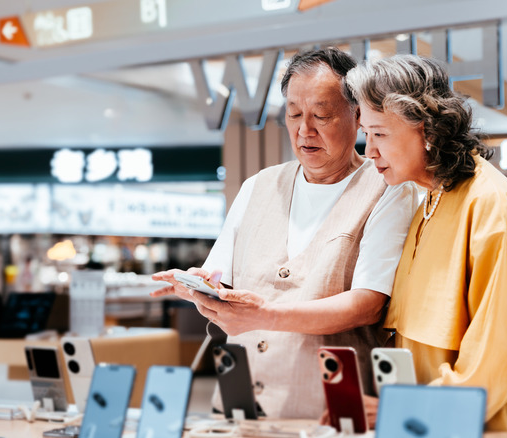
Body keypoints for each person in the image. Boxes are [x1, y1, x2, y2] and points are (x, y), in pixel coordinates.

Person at [151, 47, 416, 419]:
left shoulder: (388, 188)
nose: (304, 130)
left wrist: (266, 315)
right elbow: (219, 281)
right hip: (238, 400)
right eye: (293, 114)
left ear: (358, 116)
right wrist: (199, 288)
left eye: (321, 116)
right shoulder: (258, 186)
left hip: (328, 410)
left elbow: (367, 304)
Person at [343, 55, 507, 433]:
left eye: (380, 133)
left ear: (427, 130)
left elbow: (498, 359)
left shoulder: (490, 206)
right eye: (367, 134)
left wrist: (408, 409)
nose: (369, 151)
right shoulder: (431, 197)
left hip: (489, 425)